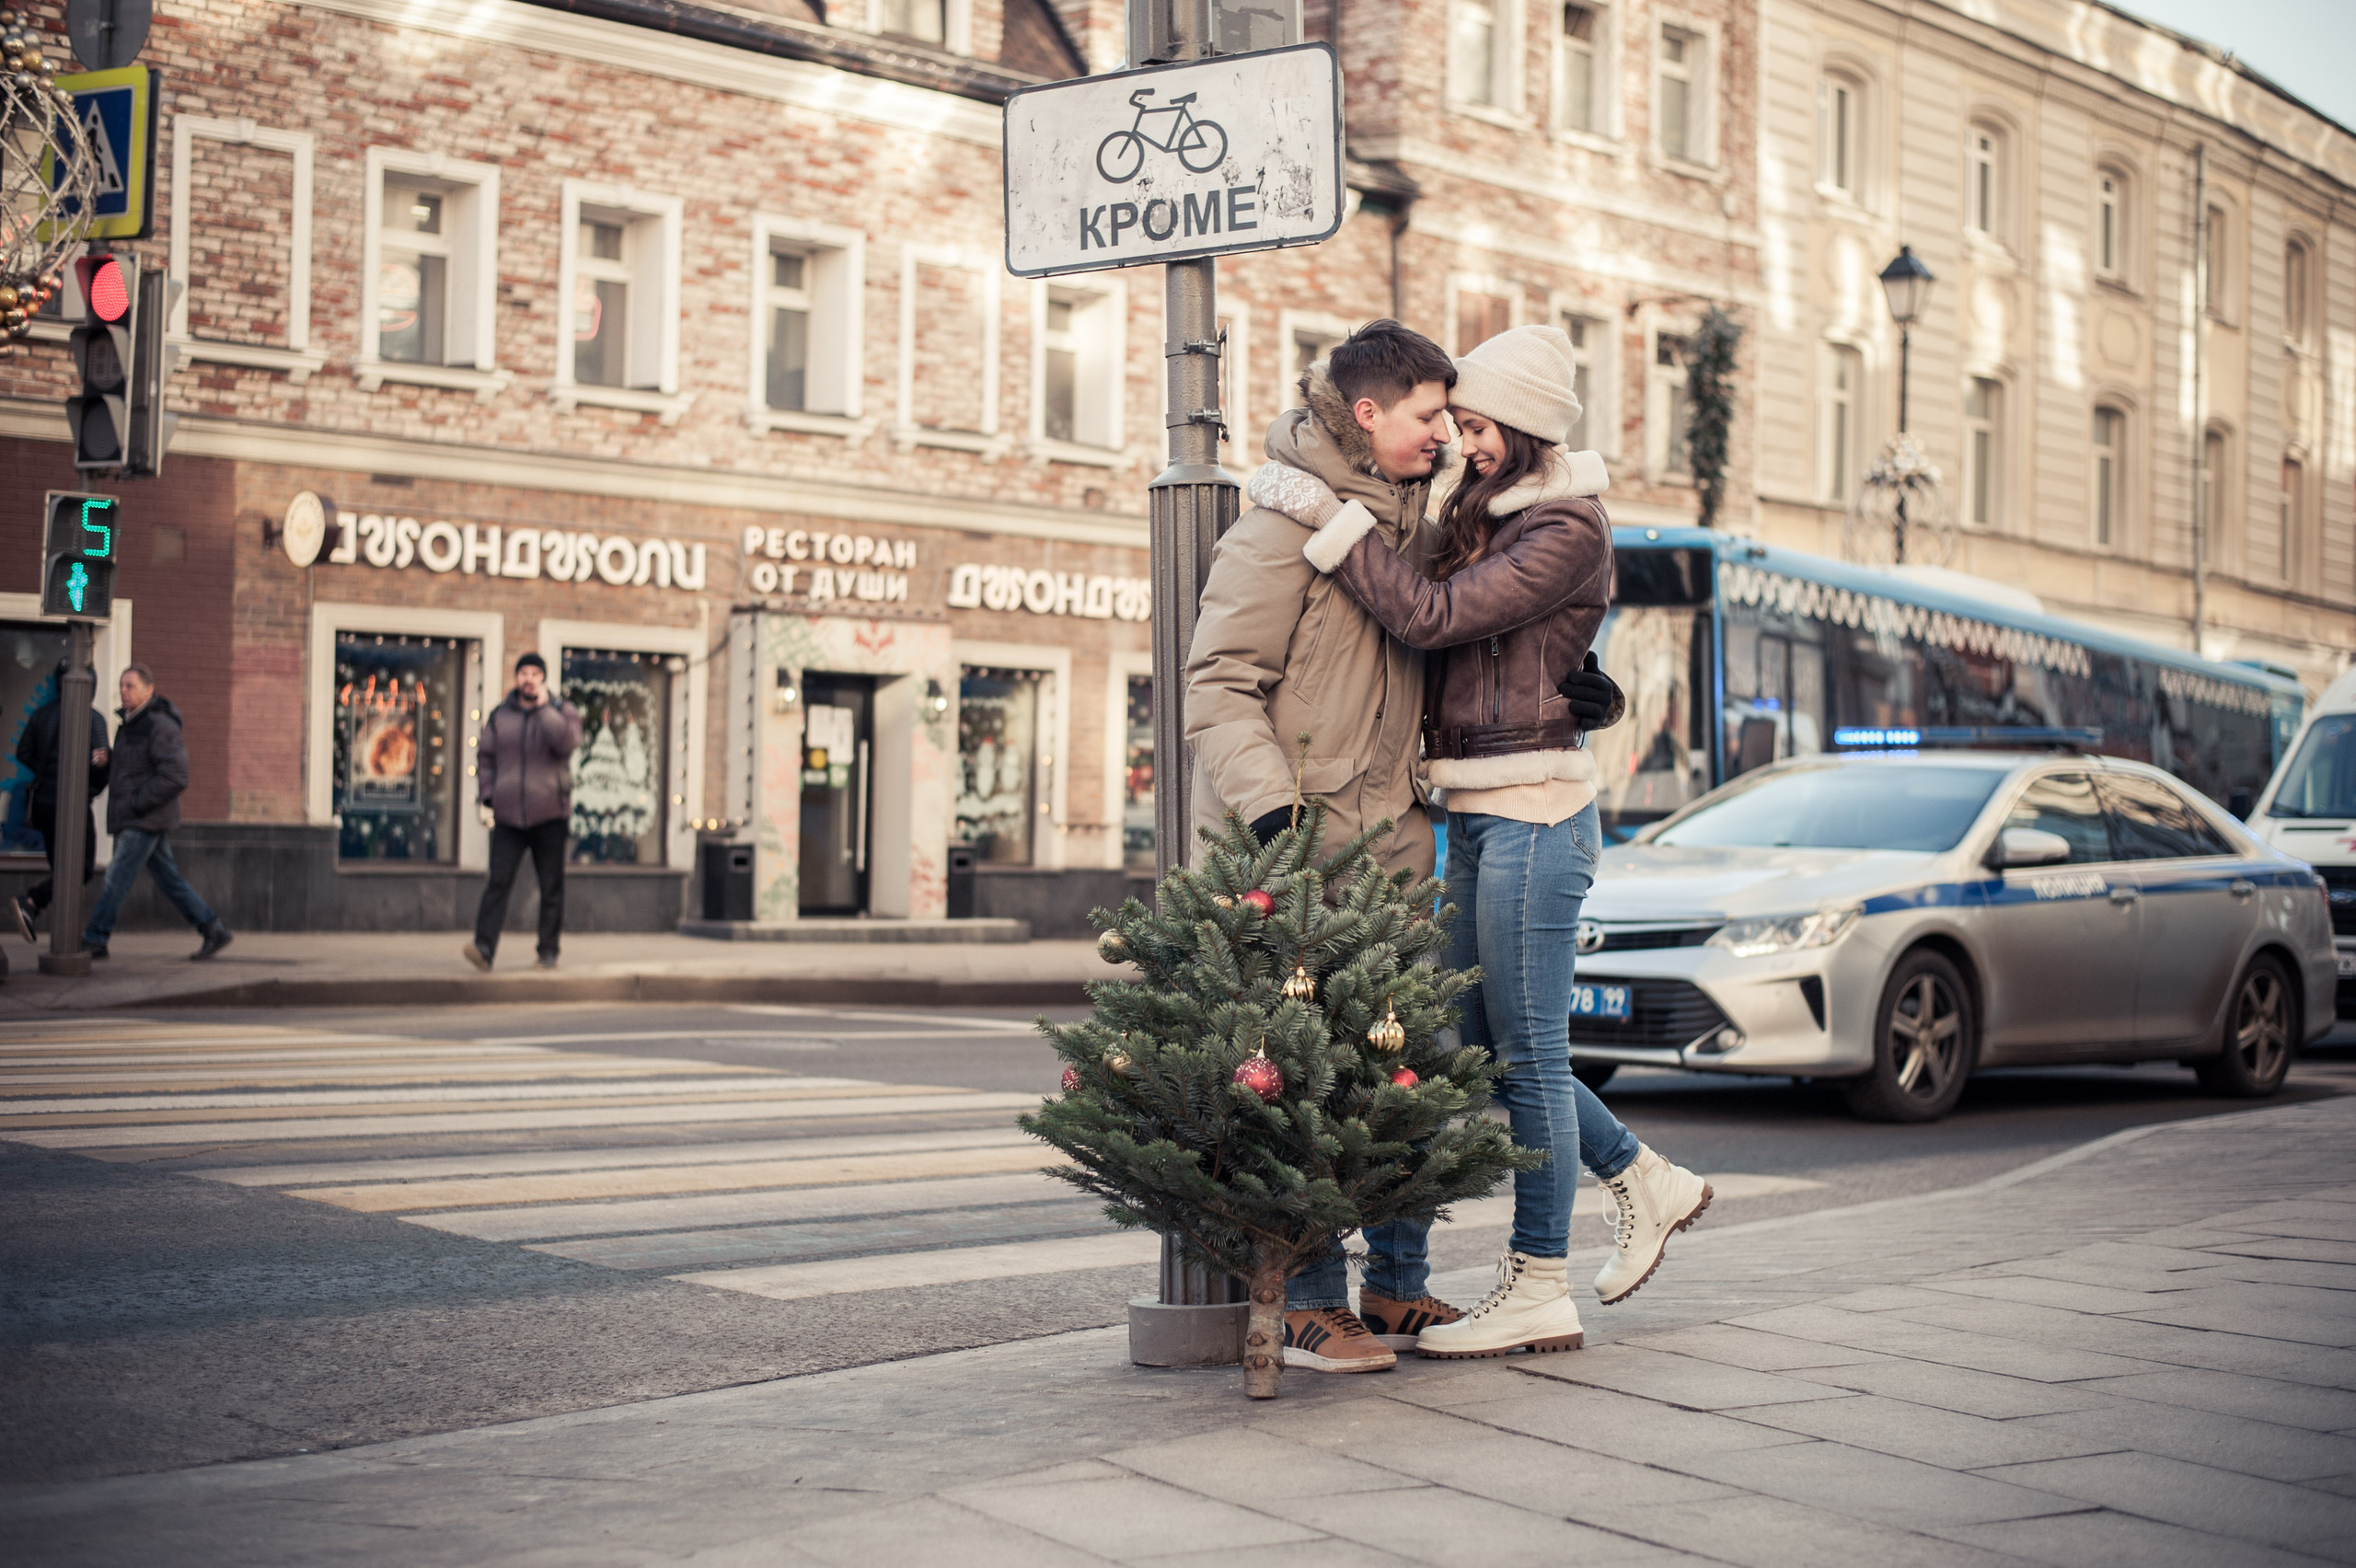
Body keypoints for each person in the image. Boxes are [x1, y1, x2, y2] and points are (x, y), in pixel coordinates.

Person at [1245, 323, 1712, 1362]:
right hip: (1477, 811)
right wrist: (1568, 686)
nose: (1463, 438)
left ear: (1528, 425)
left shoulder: (1565, 523)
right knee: (1457, 1046)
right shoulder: (1485, 508)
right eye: (1454, 420)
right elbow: (1484, 657)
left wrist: (1326, 516)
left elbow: (1429, 618)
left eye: (1480, 422)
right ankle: (1640, 1175)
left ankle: (1540, 1281)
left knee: (1530, 1054)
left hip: (1537, 812)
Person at [81, 663, 233, 962]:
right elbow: (135, 769)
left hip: (144, 818)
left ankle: (95, 938)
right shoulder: (131, 724)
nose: (123, 692)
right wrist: (110, 759)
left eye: (131, 686)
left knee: (116, 878)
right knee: (169, 880)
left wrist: (137, 803)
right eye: (121, 686)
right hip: (139, 816)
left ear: (149, 690)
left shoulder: (159, 725)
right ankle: (213, 928)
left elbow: (176, 775)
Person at [466, 651, 582, 972]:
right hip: (509, 816)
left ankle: (548, 951)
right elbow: (485, 757)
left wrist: (544, 710)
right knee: (498, 882)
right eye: (523, 673)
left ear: (543, 678)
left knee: (551, 887)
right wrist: (489, 794)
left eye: (534, 674)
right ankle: (483, 948)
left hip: (550, 814)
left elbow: (567, 743)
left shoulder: (561, 711)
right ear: (516, 678)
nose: (528, 679)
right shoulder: (501, 714)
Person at [11, 659, 110, 943]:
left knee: (63, 870)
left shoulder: (42, 715)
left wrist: (45, 771)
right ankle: (33, 901)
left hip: (45, 804)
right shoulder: (92, 718)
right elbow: (100, 763)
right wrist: (92, 779)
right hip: (74, 807)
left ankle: (63, 932)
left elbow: (23, 752)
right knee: (82, 870)